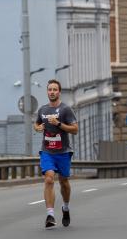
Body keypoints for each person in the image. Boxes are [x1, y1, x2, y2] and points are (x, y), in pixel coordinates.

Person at [34, 79, 79, 229]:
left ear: (59, 92)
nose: (52, 92)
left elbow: (75, 129)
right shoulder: (43, 110)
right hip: (47, 151)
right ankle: (50, 215)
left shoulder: (66, 110)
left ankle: (65, 208)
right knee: (48, 179)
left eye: (55, 90)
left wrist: (59, 124)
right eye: (50, 89)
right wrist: (38, 127)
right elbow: (37, 123)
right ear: (47, 92)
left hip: (63, 152)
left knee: (64, 182)